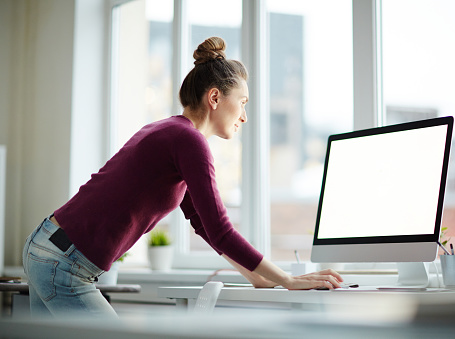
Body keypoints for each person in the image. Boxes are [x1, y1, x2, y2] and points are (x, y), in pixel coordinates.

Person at [22, 37, 343, 318]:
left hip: (51, 249)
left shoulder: (171, 131)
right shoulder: (187, 140)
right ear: (215, 98)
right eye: (242, 103)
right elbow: (220, 229)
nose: (244, 116)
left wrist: (256, 276)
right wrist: (286, 279)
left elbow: (202, 224)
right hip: (65, 263)